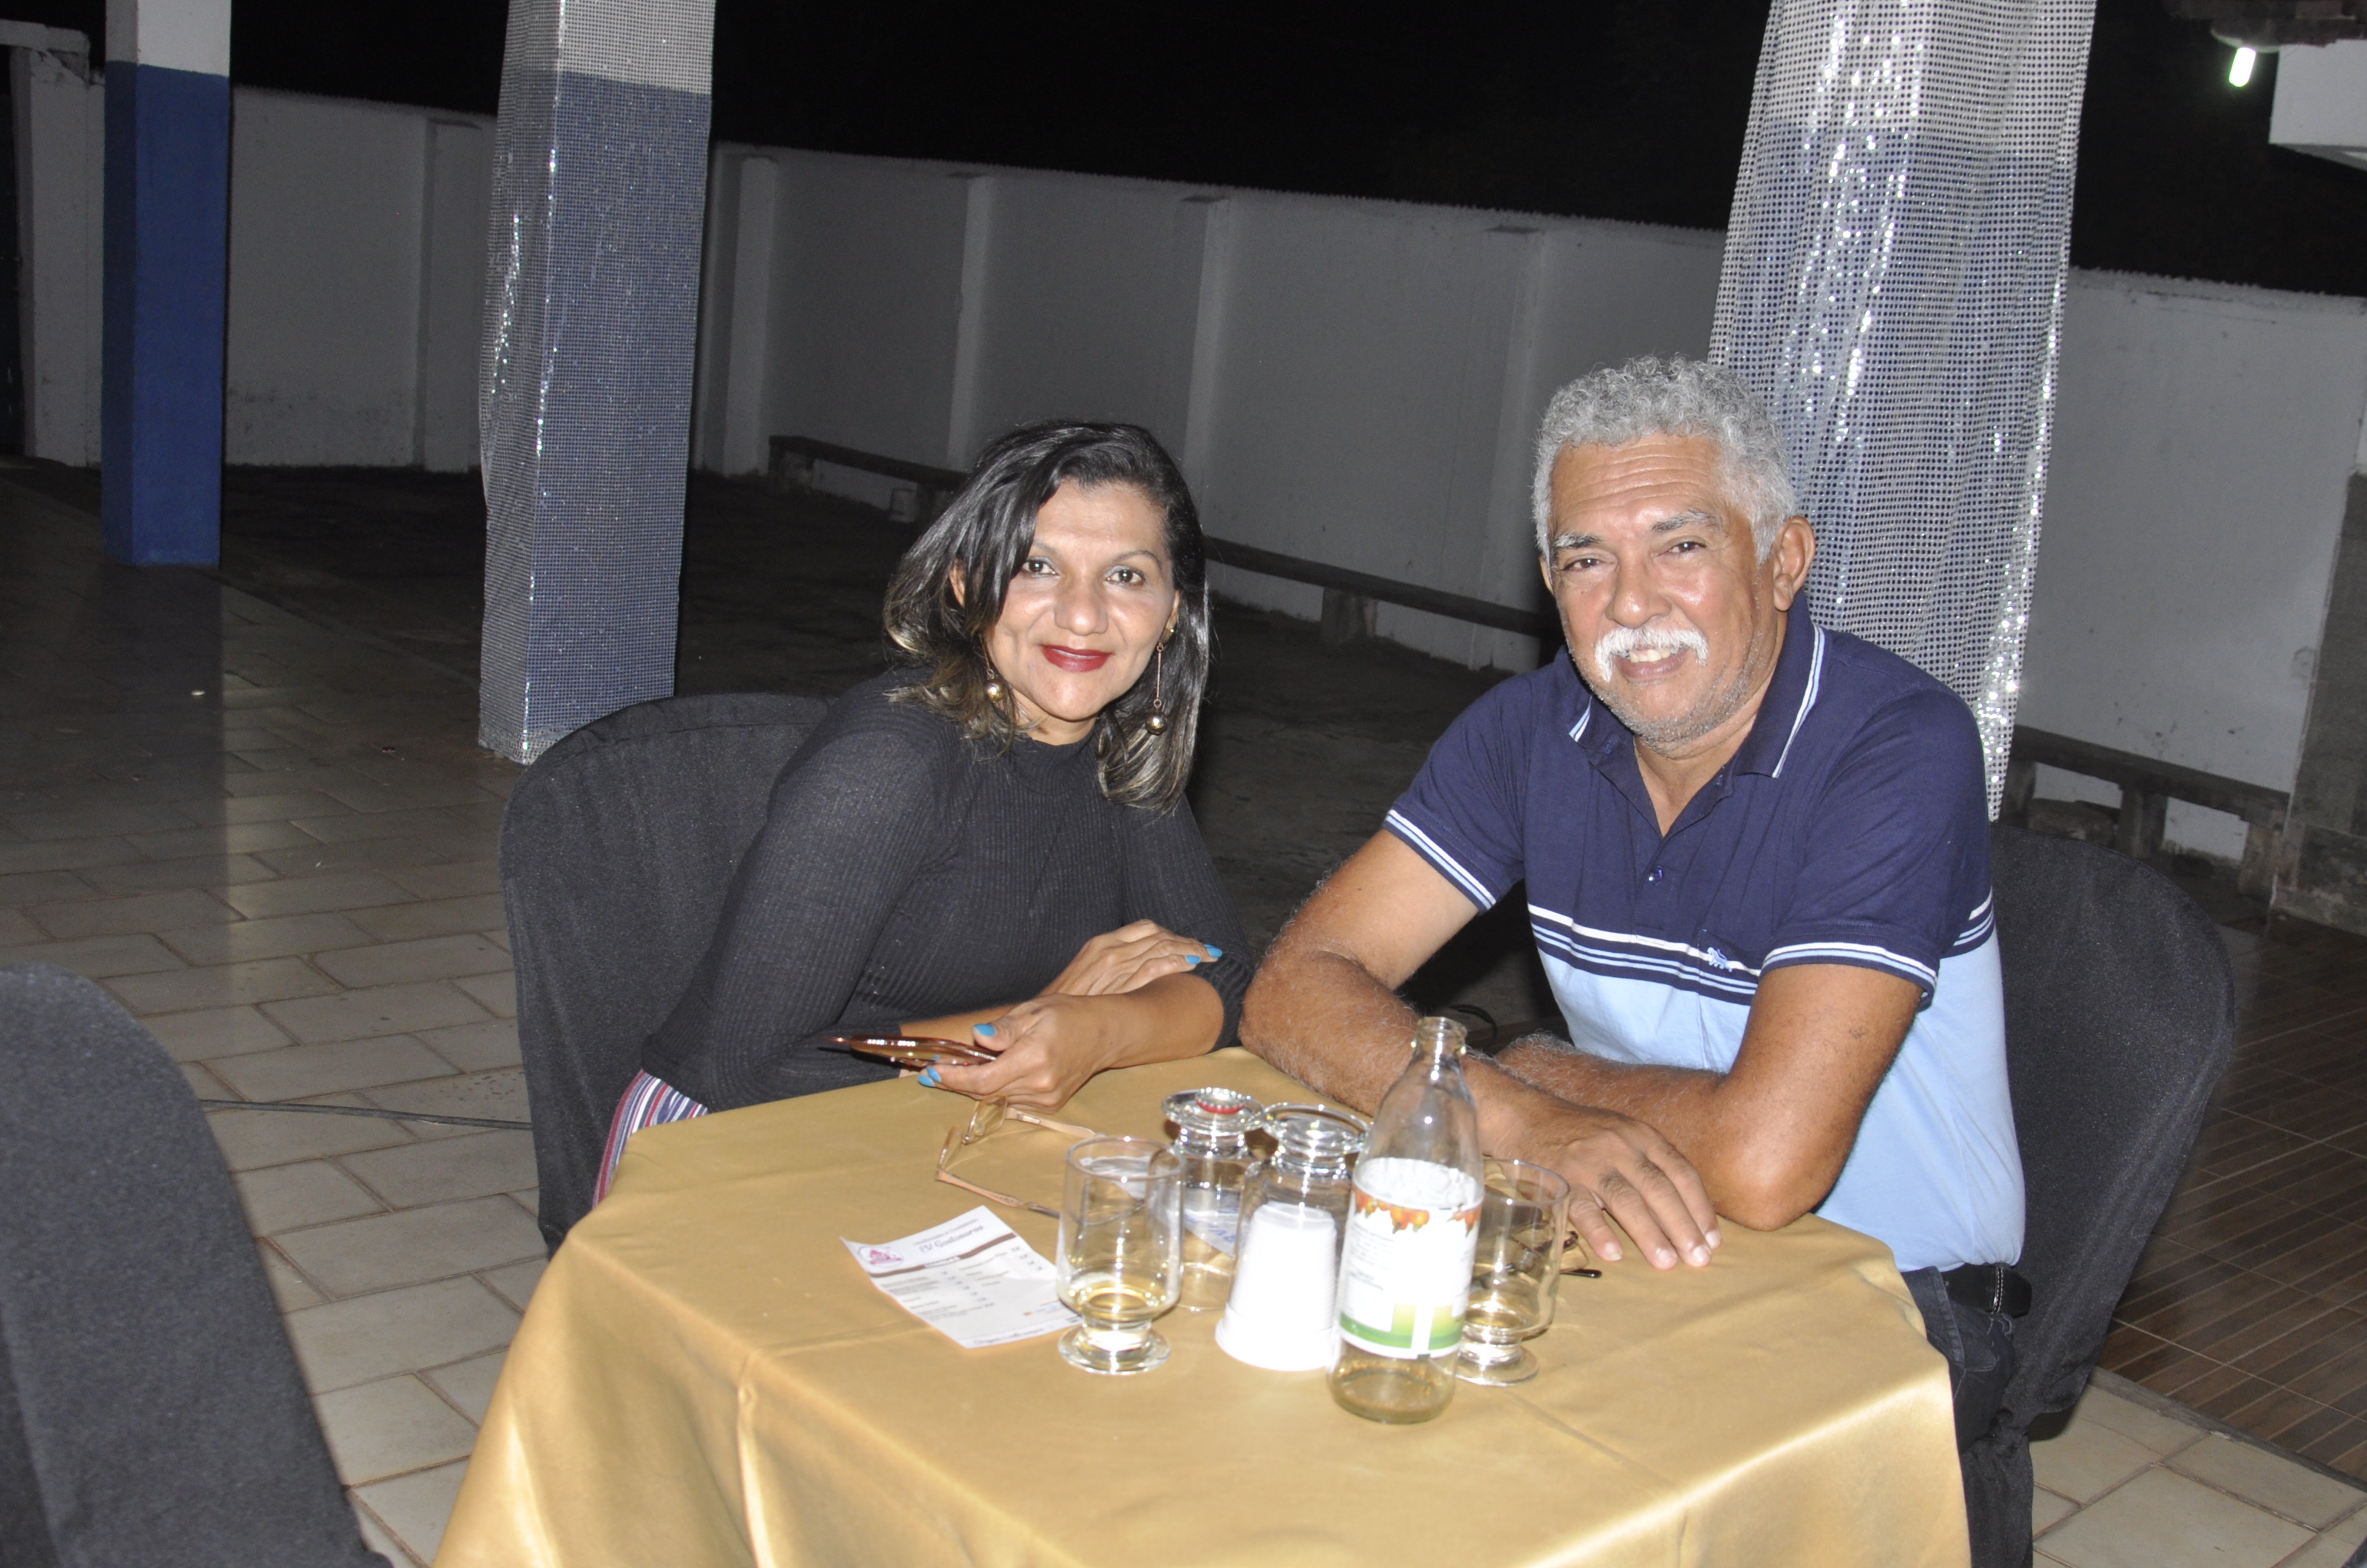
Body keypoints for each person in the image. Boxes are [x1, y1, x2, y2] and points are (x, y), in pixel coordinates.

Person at [1244, 356, 2028, 1439]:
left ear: (1783, 561)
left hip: (1901, 1305)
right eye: (1587, 560)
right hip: (1650, 1244)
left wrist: (1542, 1071)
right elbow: (1292, 990)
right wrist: (1519, 1115)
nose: (1630, 602)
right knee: (1319, 1350)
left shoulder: (1894, 749)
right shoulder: (1529, 733)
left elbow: (1765, 1164)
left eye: (1682, 546)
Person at [600, 421, 1255, 1200]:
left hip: (929, 1130)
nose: (1082, 614)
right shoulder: (889, 767)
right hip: (720, 1147)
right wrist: (1044, 1015)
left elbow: (1227, 981)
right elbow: (746, 1068)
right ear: (964, 584)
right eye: (1037, 566)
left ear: (1172, 608)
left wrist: (1098, 1028)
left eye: (1126, 576)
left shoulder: (1123, 752)